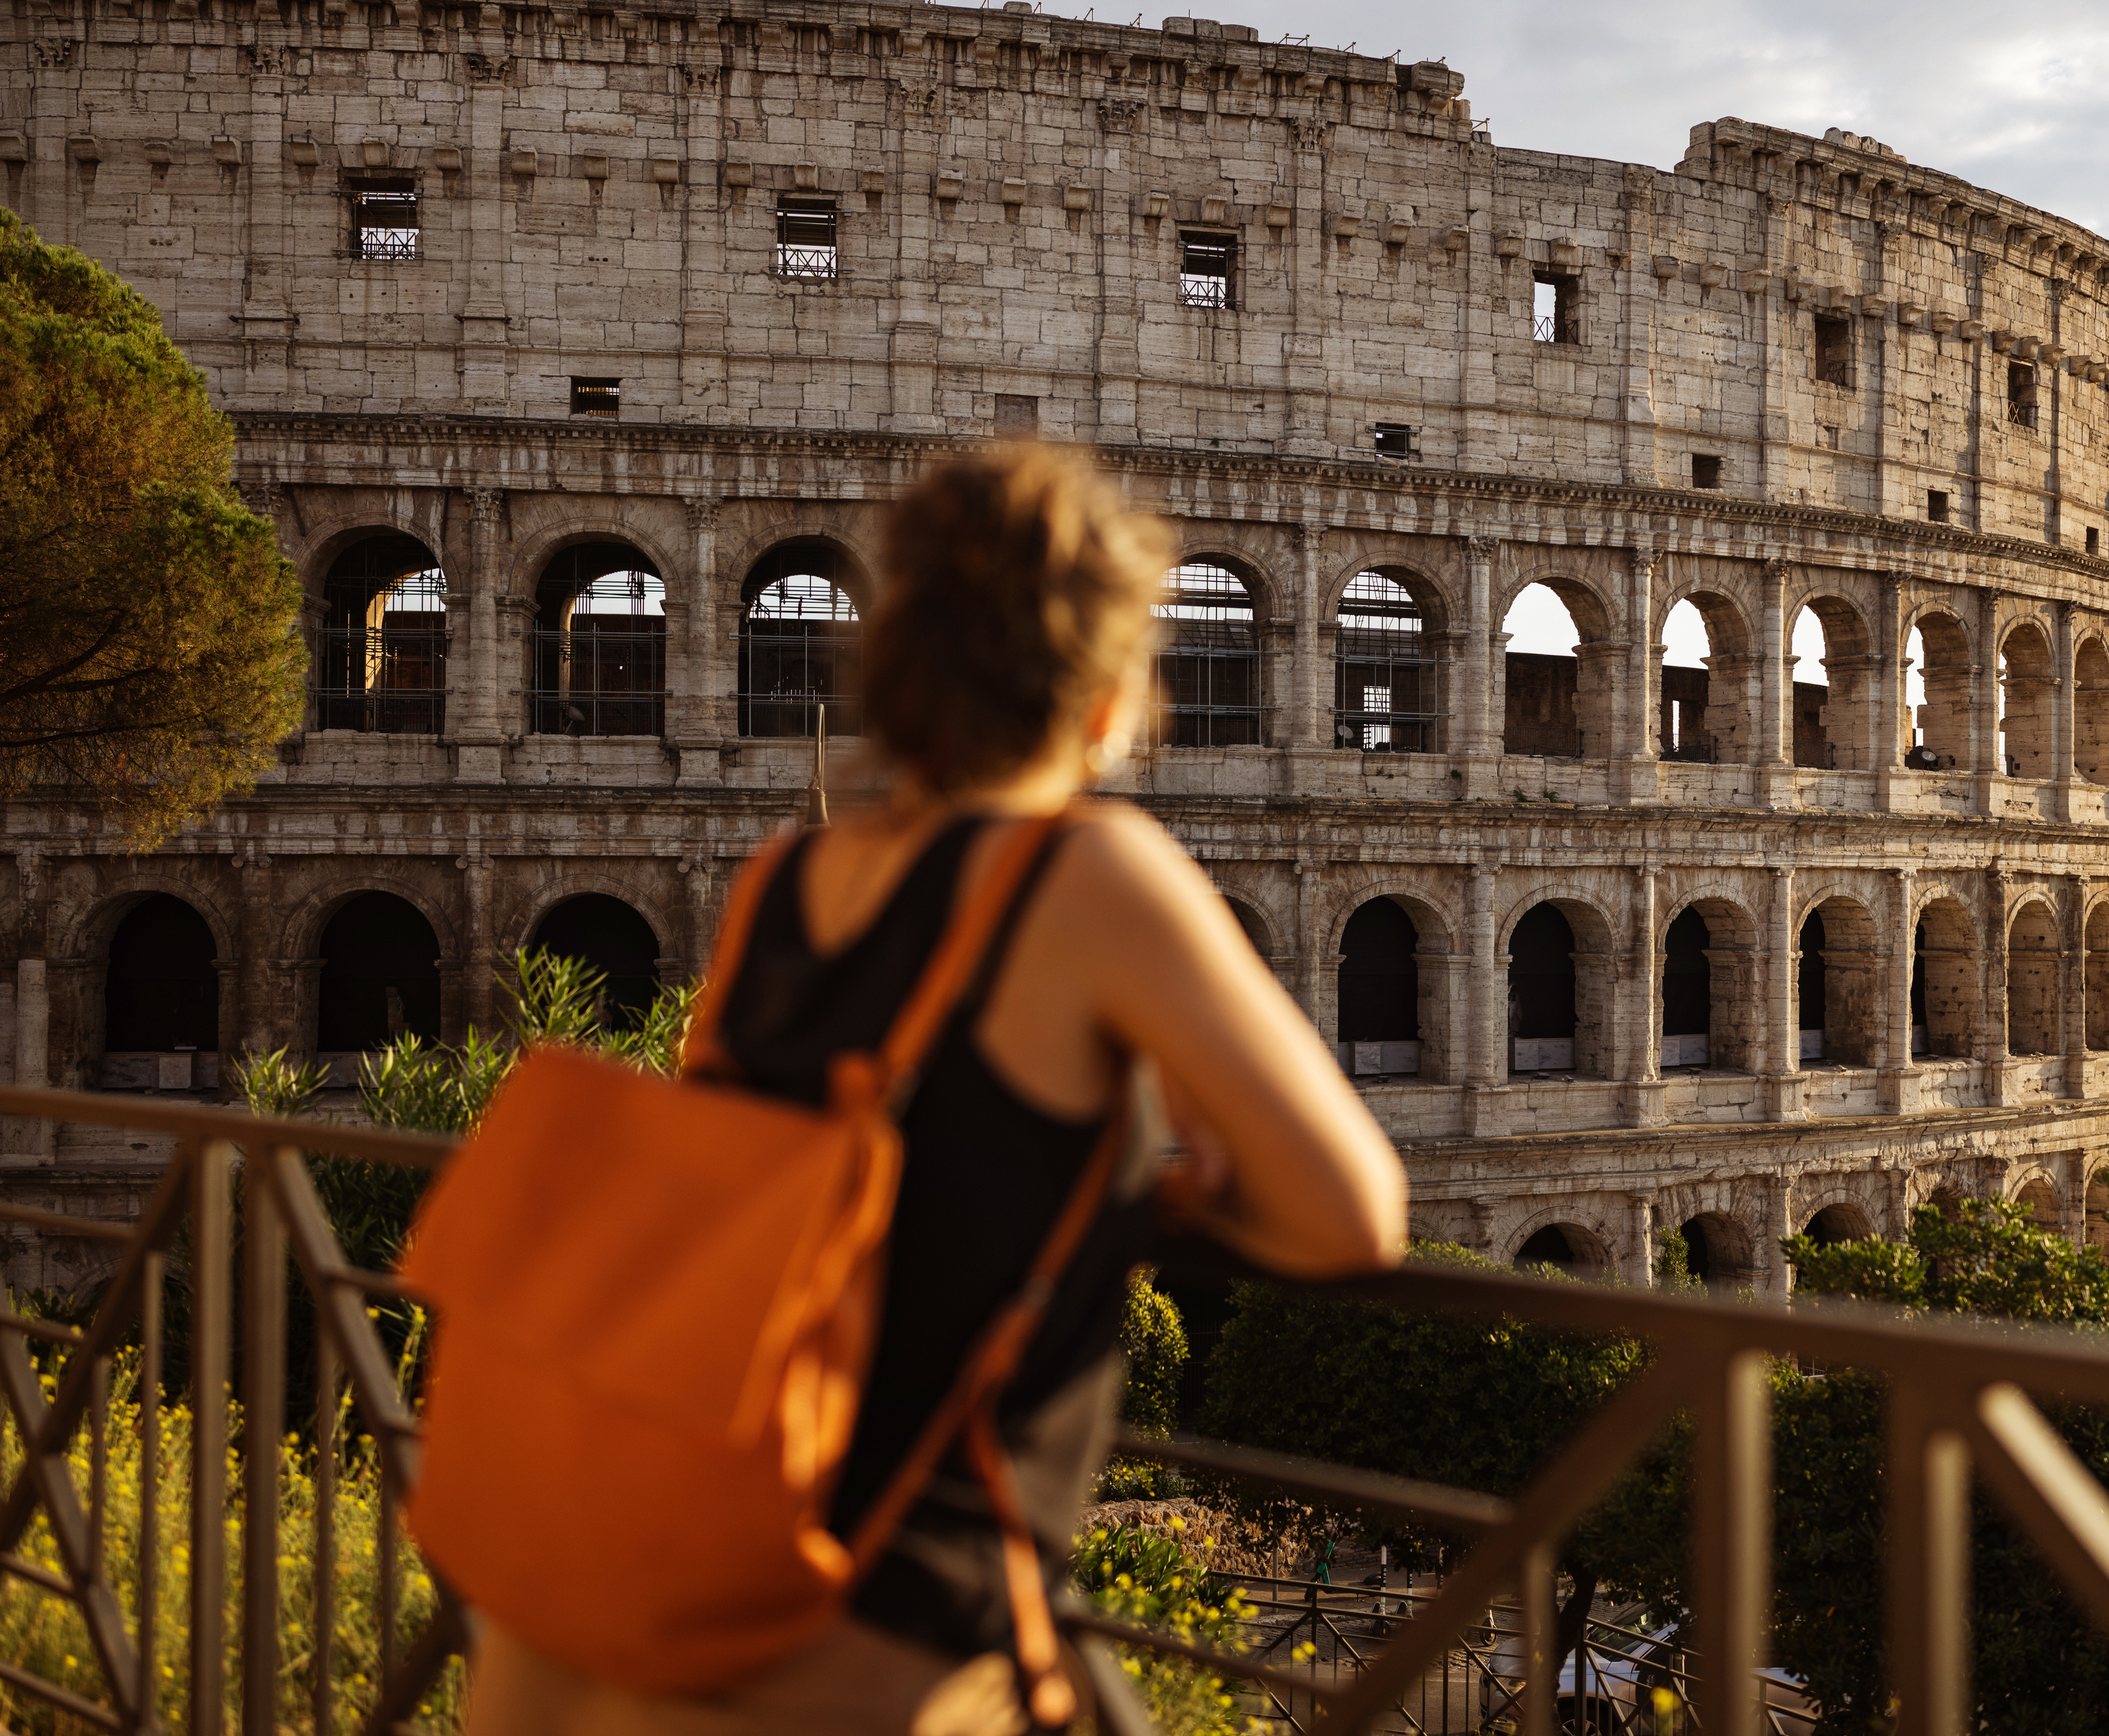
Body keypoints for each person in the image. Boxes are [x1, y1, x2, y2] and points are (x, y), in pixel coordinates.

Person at [464, 447, 1407, 1736]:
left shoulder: (785, 883)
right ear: (1111, 696)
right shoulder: (1088, 876)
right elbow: (1354, 1215)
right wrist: (1157, 1186)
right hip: (890, 1620)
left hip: (670, 1572)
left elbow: (772, 1180)